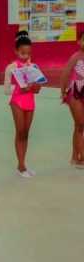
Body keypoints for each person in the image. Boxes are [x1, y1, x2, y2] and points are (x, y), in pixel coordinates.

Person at [3, 31, 41, 178]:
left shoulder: (34, 67)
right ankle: (21, 166)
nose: (26, 56)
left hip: (30, 100)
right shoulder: (11, 67)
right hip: (17, 101)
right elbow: (6, 90)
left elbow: (38, 89)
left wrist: (35, 87)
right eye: (22, 53)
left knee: (26, 133)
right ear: (16, 51)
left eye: (28, 53)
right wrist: (20, 87)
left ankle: (23, 164)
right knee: (20, 132)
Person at [60, 31, 84, 168]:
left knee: (79, 126)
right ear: (79, 42)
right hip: (75, 92)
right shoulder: (76, 57)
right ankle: (81, 157)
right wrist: (63, 91)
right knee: (80, 124)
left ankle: (75, 156)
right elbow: (65, 73)